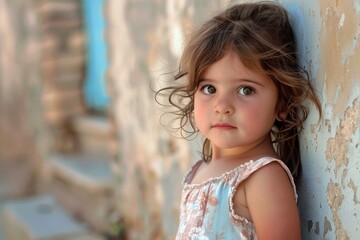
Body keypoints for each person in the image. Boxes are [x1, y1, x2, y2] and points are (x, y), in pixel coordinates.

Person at [156, 1, 321, 239]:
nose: (222, 106)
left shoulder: (263, 178)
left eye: (245, 90)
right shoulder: (199, 170)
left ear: (283, 104)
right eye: (209, 88)